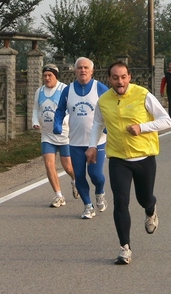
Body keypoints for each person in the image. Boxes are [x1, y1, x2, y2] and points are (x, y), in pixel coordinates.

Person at [86, 61, 171, 265]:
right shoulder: (104, 100)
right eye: (115, 77)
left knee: (144, 199)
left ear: (129, 77)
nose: (119, 81)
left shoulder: (143, 95)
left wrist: (143, 127)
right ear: (109, 79)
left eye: (123, 77)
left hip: (144, 157)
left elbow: (166, 120)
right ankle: (125, 247)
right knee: (121, 202)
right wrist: (91, 146)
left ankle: (150, 209)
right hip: (118, 158)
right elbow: (98, 122)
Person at [53, 57, 109, 219]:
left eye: (86, 68)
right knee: (79, 175)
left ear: (92, 71)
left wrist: (109, 127)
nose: (82, 70)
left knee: (95, 175)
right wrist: (57, 124)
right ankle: (88, 206)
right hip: (76, 142)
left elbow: (112, 108)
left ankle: (100, 192)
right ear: (75, 71)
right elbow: (60, 111)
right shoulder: (68, 90)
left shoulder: (100, 88)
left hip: (97, 141)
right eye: (79, 68)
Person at [32, 64, 79, 207]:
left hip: (64, 135)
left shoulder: (64, 89)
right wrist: (35, 121)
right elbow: (35, 108)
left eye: (49, 75)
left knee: (68, 167)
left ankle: (75, 180)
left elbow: (72, 109)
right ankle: (58, 196)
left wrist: (64, 121)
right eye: (45, 76)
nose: (47, 78)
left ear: (56, 76)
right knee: (48, 164)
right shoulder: (39, 91)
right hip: (47, 135)